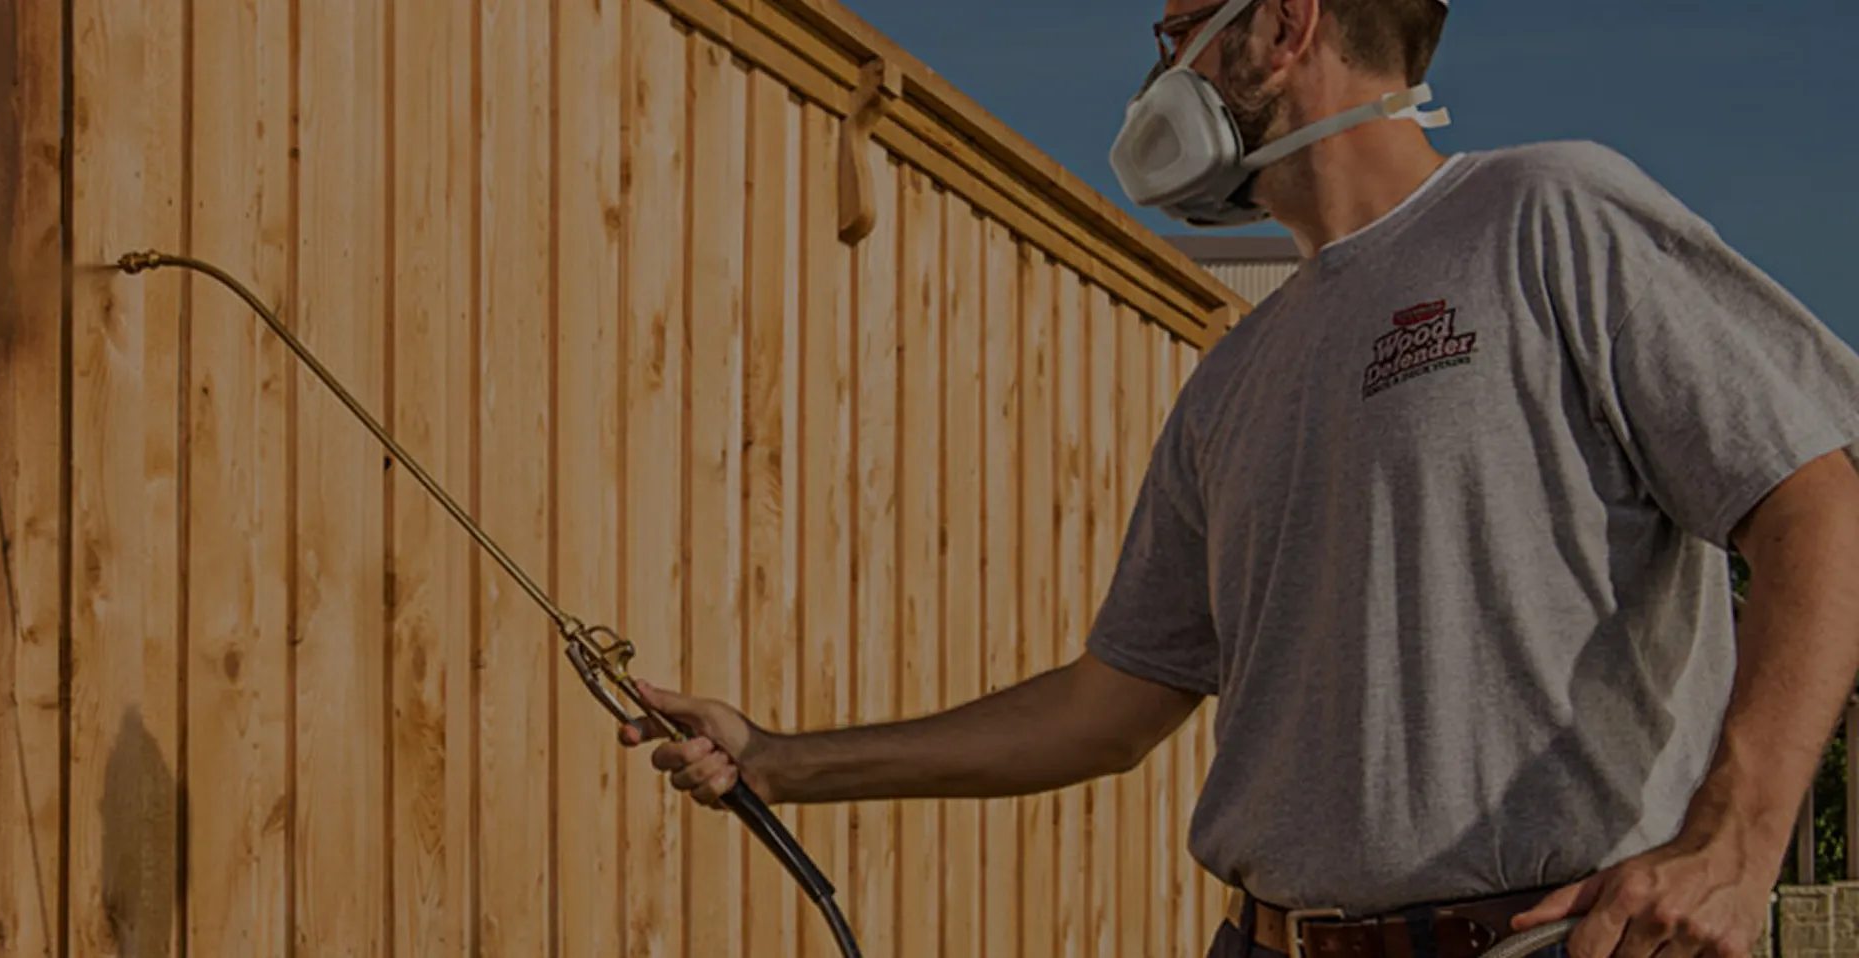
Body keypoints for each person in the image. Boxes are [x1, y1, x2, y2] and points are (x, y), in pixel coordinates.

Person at [619, 1, 1859, 956]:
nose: (1158, 80)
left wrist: (1739, 843)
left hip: (1539, 940)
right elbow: (1109, 706)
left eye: (1173, 37)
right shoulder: (1236, 372)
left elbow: (1817, 497)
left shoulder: (1547, 214)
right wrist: (781, 757)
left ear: (1280, 25)